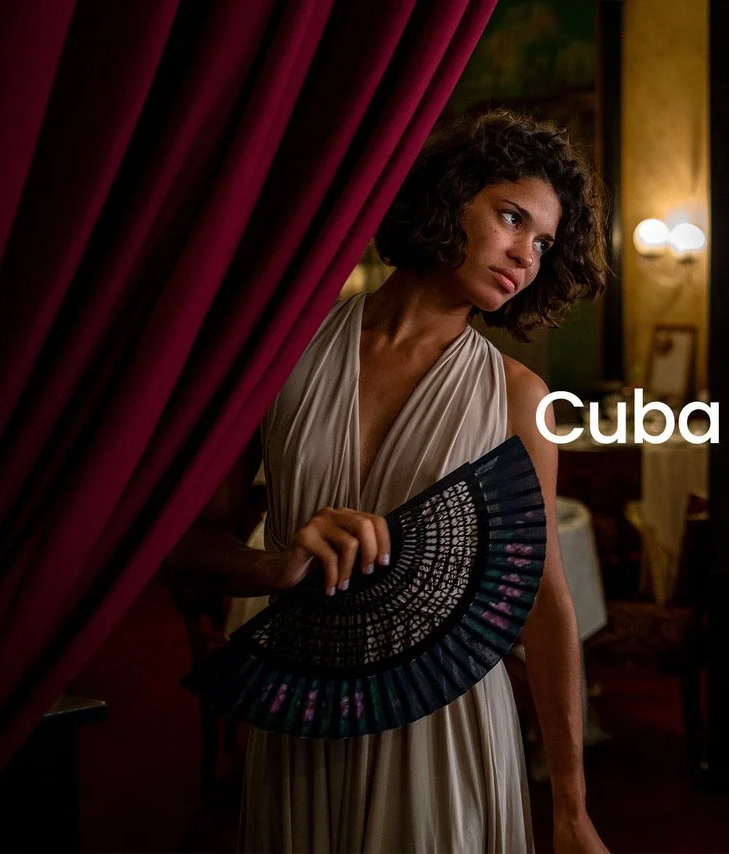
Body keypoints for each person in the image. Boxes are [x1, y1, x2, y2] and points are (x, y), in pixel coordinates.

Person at [168, 108, 610, 853]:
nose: (525, 256)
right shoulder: (285, 350)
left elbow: (545, 599)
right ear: (449, 197)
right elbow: (182, 542)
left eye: (542, 243)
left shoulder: (518, 396)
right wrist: (271, 567)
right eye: (511, 218)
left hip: (446, 722)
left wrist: (570, 808)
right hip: (303, 712)